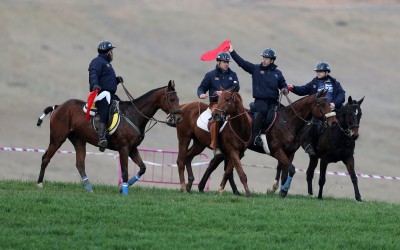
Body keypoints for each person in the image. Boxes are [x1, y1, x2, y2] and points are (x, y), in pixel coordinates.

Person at [228, 44, 289, 147]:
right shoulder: (255, 69)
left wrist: (285, 89)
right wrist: (232, 51)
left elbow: (283, 84)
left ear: (272, 60)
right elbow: (242, 63)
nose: (264, 60)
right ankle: (256, 136)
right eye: (263, 57)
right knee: (263, 111)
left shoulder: (277, 73)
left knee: (285, 113)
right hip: (260, 101)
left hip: (273, 102)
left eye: (267, 58)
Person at [288, 61, 345, 155]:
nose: (318, 73)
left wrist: (334, 103)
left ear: (327, 72)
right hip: (318, 111)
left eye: (320, 71)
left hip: (332, 110)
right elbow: (303, 90)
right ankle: (308, 144)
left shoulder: (335, 83)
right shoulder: (314, 82)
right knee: (312, 124)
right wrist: (292, 88)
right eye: (317, 71)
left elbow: (341, 95)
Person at [197, 52, 239, 156]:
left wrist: (224, 93)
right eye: (224, 62)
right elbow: (201, 88)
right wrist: (201, 94)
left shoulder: (233, 75)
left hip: (229, 104)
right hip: (216, 104)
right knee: (217, 119)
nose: (227, 64)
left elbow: (236, 88)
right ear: (218, 62)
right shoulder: (210, 75)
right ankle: (216, 146)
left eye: (228, 62)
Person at [88, 40, 124, 152]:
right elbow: (93, 74)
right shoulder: (97, 61)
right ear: (107, 52)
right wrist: (94, 85)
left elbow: (106, 80)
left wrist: (116, 81)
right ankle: (101, 138)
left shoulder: (107, 64)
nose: (112, 53)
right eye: (111, 51)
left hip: (110, 94)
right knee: (104, 109)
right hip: (101, 93)